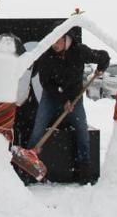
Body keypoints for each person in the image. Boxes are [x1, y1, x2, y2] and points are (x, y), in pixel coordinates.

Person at [28, 25, 109, 184]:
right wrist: (62, 99)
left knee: (81, 129)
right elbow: (46, 82)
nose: (54, 45)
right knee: (39, 126)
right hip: (51, 96)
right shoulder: (47, 55)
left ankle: (84, 169)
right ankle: (29, 162)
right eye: (52, 41)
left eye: (57, 41)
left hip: (75, 97)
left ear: (66, 39)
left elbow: (104, 56)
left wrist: (101, 68)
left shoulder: (79, 51)